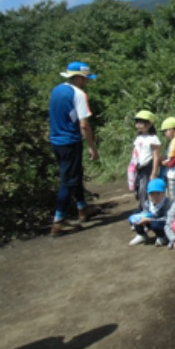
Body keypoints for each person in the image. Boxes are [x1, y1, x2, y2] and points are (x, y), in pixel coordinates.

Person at [48, 61, 99, 236]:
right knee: (68, 181)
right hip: (70, 141)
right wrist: (92, 147)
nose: (87, 82)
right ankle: (58, 221)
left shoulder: (56, 90)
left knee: (74, 174)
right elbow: (84, 125)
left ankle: (83, 209)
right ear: (79, 78)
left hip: (56, 140)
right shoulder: (78, 94)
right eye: (85, 79)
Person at [127, 178, 175, 246]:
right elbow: (146, 212)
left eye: (158, 193)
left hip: (163, 225)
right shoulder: (148, 203)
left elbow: (168, 219)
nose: (155, 196)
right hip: (150, 221)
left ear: (164, 193)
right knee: (136, 213)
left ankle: (162, 237)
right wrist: (140, 218)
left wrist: (150, 220)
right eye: (152, 193)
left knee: (155, 224)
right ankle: (141, 235)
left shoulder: (168, 204)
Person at [129, 110, 160, 212]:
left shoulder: (153, 138)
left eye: (141, 123)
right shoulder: (139, 137)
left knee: (144, 191)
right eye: (137, 122)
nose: (138, 125)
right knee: (137, 190)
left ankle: (146, 212)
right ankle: (143, 209)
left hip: (147, 168)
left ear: (150, 124)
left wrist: (154, 172)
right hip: (137, 168)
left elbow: (156, 156)